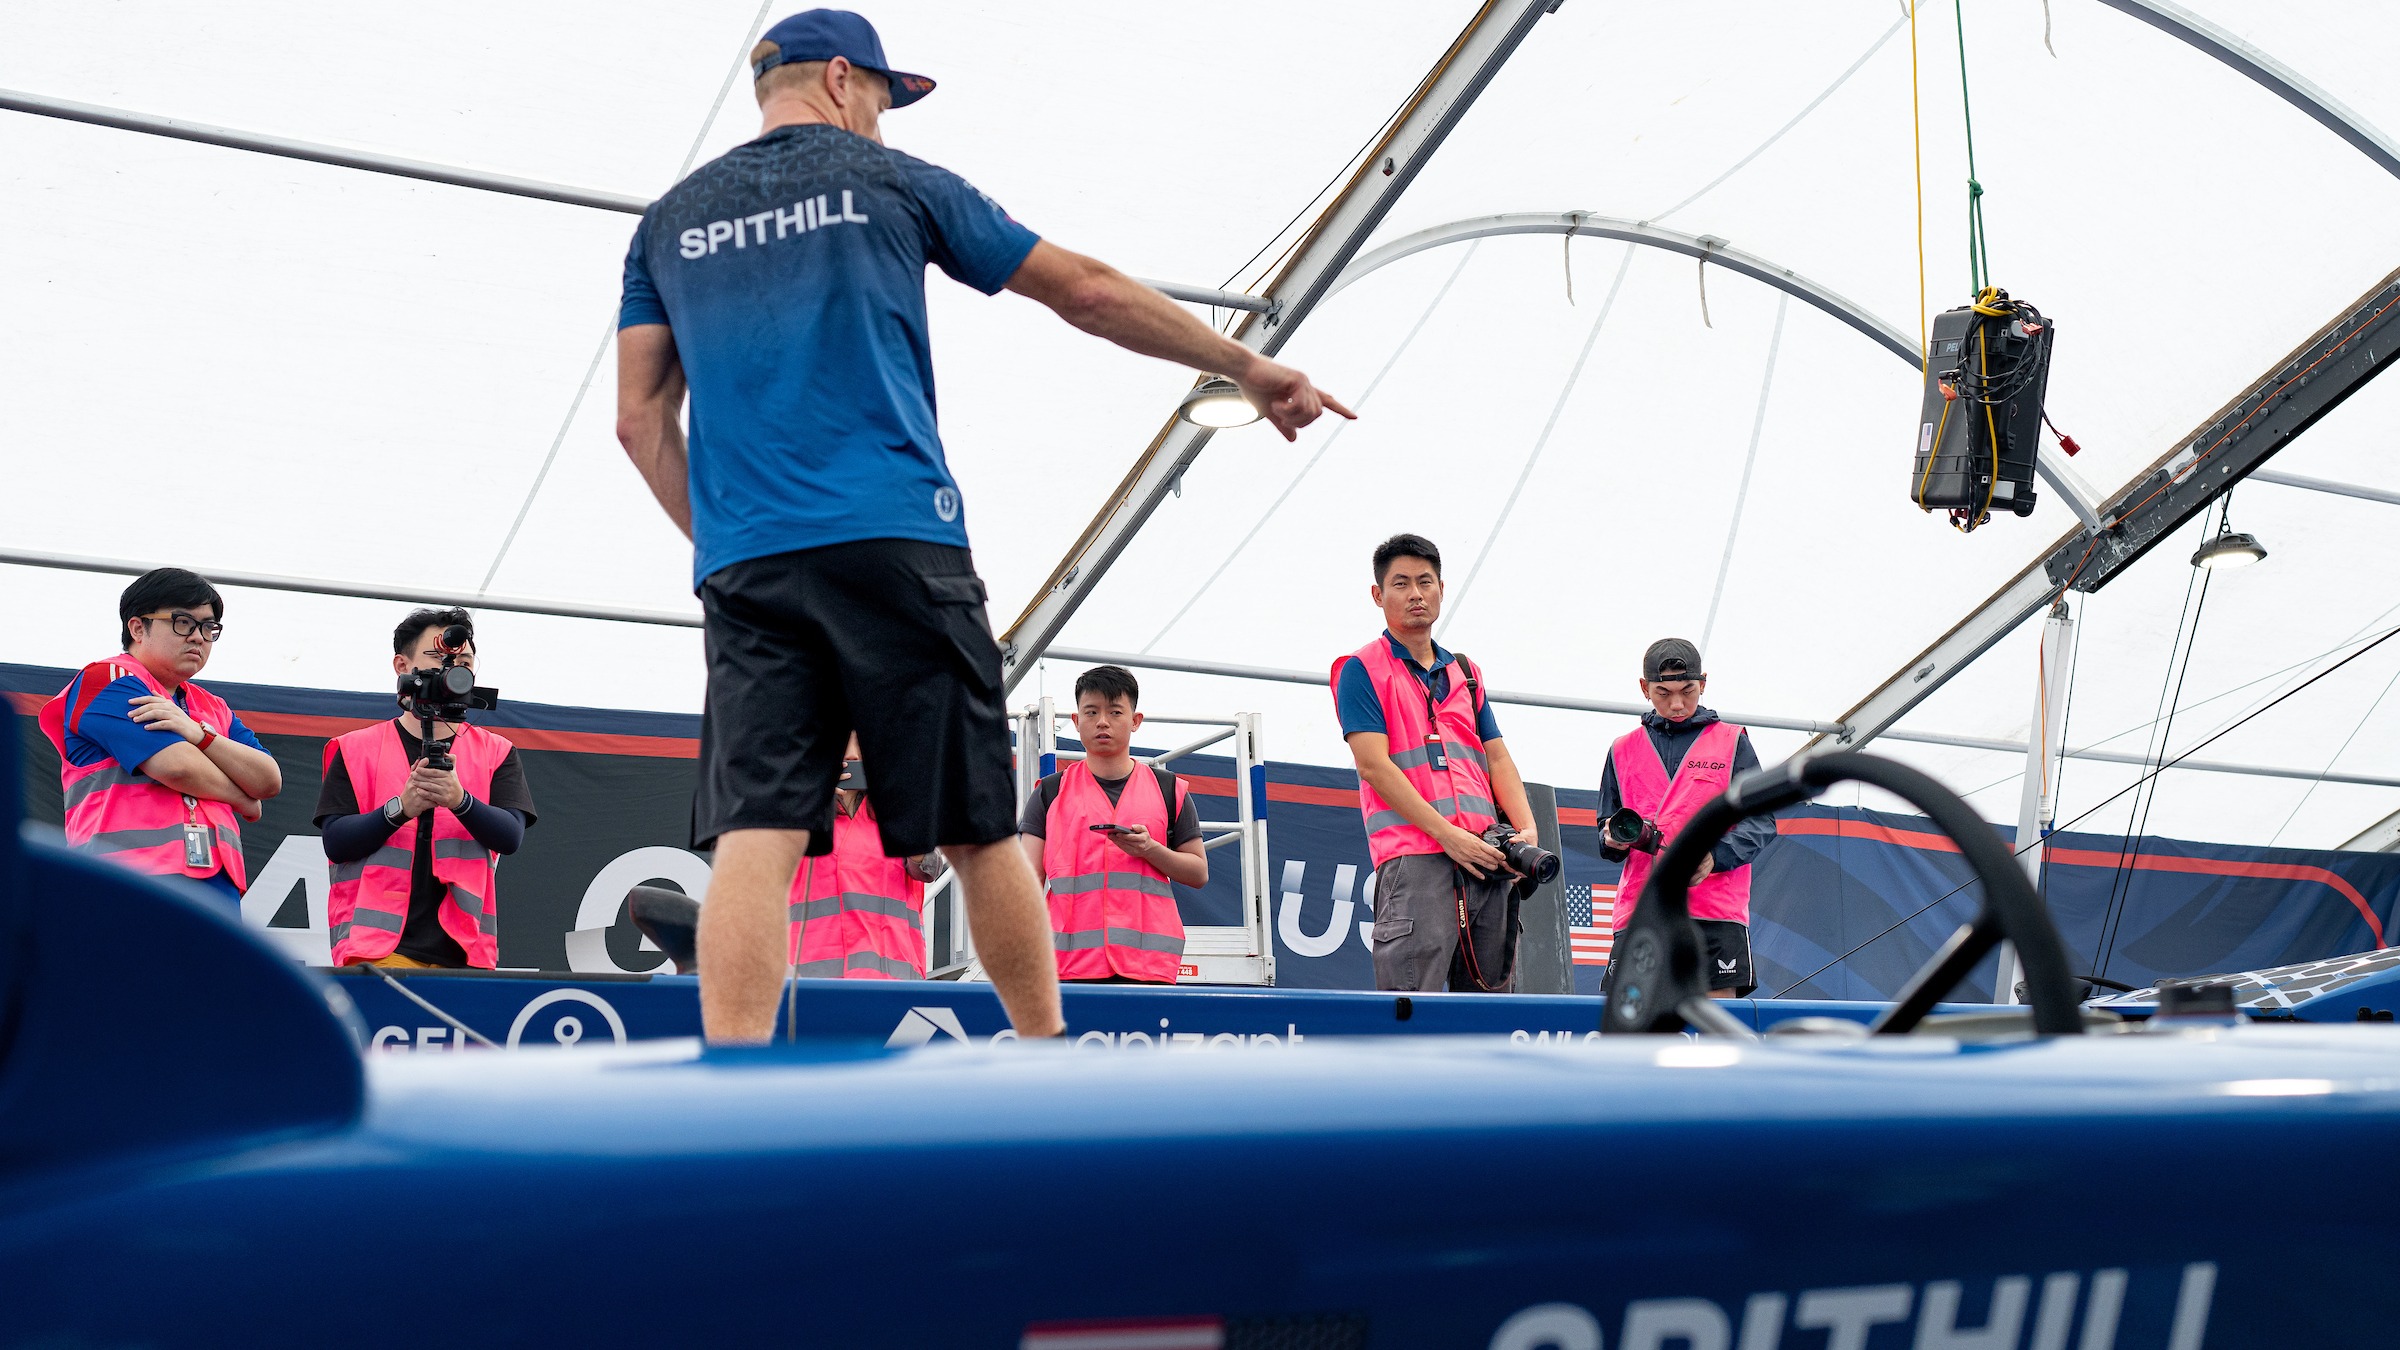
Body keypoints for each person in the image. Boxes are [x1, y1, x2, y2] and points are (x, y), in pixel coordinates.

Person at [614, 10, 1352, 1042]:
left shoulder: (668, 223)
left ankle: (732, 1080)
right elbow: (1083, 290)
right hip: (897, 540)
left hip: (750, 564)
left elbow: (638, 419)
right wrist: (1247, 365)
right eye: (882, 99)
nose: (882, 121)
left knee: (758, 836)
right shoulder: (893, 181)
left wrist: (724, 538)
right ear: (842, 78)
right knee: (975, 828)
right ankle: (1045, 1064)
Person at [1333, 535, 1540, 993]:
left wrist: (1526, 830)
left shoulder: (1464, 671)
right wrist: (1448, 836)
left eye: (1425, 582)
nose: (1416, 594)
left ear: (1441, 590)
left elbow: (1497, 755)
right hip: (1417, 860)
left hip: (1486, 856)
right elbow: (1373, 767)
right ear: (1378, 595)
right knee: (1412, 1011)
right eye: (1401, 583)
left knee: (1489, 1017)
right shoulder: (1361, 668)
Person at [37, 568, 280, 904]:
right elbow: (178, 767)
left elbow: (268, 779)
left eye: (208, 627)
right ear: (138, 628)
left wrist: (198, 734)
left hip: (217, 882)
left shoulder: (213, 706)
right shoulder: (108, 678)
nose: (198, 637)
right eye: (183, 622)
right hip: (124, 878)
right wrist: (242, 798)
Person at [313, 609, 537, 970]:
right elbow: (337, 842)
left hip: (465, 954)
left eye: (464, 662)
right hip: (377, 949)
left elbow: (510, 836)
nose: (453, 669)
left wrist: (460, 801)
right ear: (402, 666)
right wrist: (401, 809)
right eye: (438, 657)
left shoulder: (498, 752)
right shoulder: (354, 748)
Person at [1598, 638, 1772, 998]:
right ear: (1644, 688)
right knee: (1633, 1023)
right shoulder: (1621, 749)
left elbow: (1761, 822)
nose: (1677, 704)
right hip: (1642, 910)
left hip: (1714, 910)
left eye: (1687, 691)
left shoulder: (1732, 741)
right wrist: (1611, 838)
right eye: (1663, 693)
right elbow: (1605, 831)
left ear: (1703, 684)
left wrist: (1715, 857)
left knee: (1715, 1025)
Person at [1017, 665, 1206, 984]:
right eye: (1091, 712)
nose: (1102, 721)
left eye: (1115, 712)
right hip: (1067, 967)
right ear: (1076, 721)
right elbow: (1025, 884)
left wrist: (1151, 850)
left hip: (1148, 968)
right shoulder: (1050, 793)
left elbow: (1198, 873)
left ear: (1135, 721)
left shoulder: (1169, 790)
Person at [789, 735, 947, 979]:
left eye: (862, 742)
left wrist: (904, 808)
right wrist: (807, 802)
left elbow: (929, 867)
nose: (852, 754)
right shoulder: (796, 812)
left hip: (891, 983)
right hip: (811, 983)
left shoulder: (895, 813)